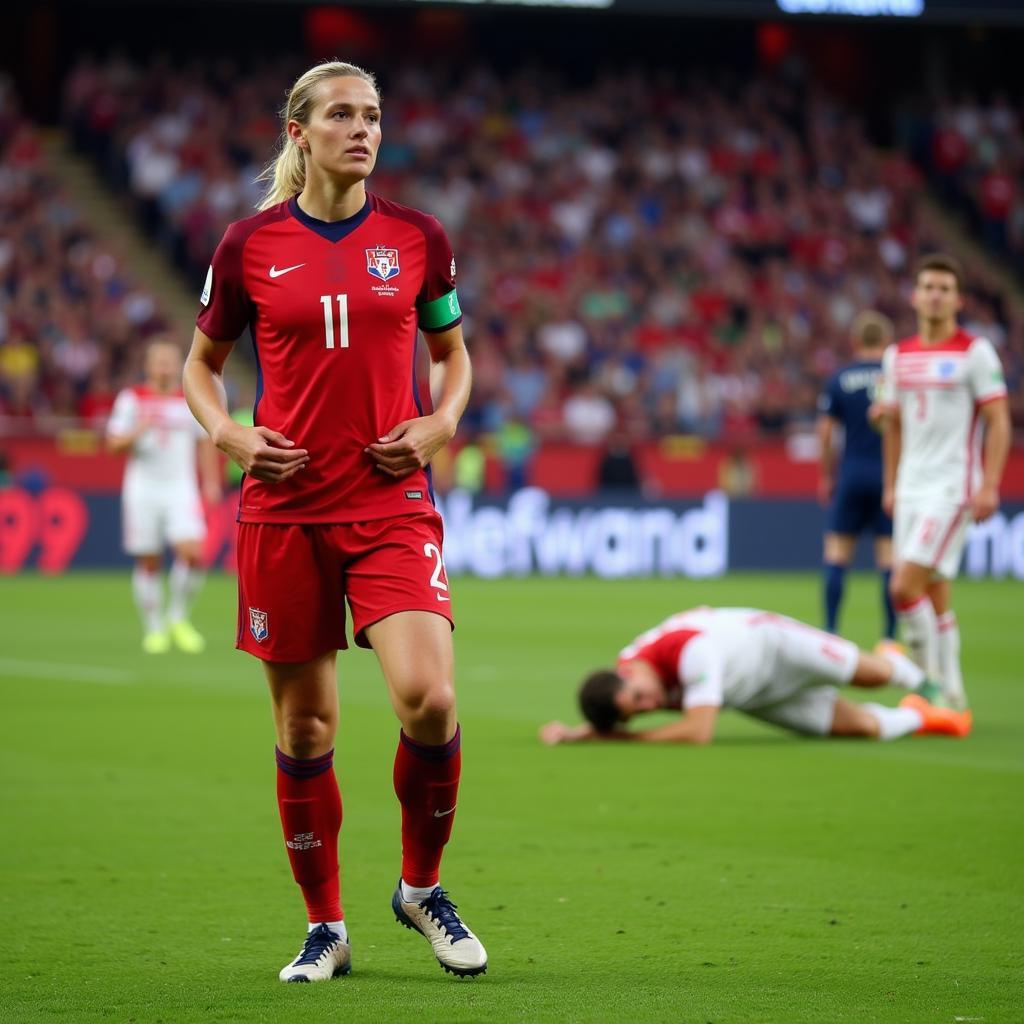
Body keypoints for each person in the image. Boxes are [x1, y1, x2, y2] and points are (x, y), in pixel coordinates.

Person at [182, 61, 486, 983]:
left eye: (375, 117)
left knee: (429, 698)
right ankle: (326, 926)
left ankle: (421, 888)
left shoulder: (418, 238)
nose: (364, 130)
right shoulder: (248, 245)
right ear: (298, 133)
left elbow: (454, 356)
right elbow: (201, 367)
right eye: (344, 116)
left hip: (391, 503)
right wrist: (231, 432)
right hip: (283, 510)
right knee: (306, 729)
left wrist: (441, 421)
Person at [872, 253, 1010, 710]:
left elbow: (998, 420)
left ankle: (926, 683)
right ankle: (953, 692)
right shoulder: (897, 357)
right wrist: (891, 485)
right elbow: (892, 423)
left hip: (952, 487)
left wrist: (989, 484)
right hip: (910, 485)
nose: (935, 295)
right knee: (935, 594)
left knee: (902, 587)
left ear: (958, 299)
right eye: (928, 286)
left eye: (944, 289)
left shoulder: (975, 352)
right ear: (914, 296)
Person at [539, 606, 972, 747]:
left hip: (774, 644)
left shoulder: (689, 651)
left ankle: (922, 681)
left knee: (872, 675)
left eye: (640, 699)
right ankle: (923, 714)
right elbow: (625, 706)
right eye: (639, 713)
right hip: (754, 694)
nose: (651, 707)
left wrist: (624, 740)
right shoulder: (632, 677)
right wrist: (582, 733)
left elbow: (699, 731)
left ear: (628, 673)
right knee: (860, 727)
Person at [106, 339, 221, 653]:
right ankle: (154, 627)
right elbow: (113, 444)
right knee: (150, 561)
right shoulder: (132, 399)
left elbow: (205, 442)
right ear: (148, 366)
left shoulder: (190, 399)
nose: (165, 368)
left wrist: (210, 481)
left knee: (194, 554)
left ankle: (178, 617)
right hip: (142, 490)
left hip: (180, 489)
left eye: (171, 362)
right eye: (160, 362)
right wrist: (137, 431)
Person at [817, 311, 896, 641]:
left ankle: (831, 632)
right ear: (886, 342)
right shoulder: (896, 378)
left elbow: (825, 433)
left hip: (851, 473)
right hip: (888, 476)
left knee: (837, 553)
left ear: (855, 341)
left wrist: (826, 474)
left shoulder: (840, 378)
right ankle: (890, 639)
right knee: (889, 559)